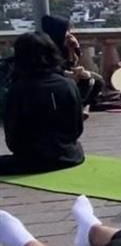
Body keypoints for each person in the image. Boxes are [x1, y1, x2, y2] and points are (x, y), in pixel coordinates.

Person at [0, 32, 84, 175]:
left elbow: (13, 138)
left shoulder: (18, 89)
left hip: (32, 160)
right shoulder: (68, 84)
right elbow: (77, 128)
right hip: (71, 155)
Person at [40, 15, 103, 112]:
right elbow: (50, 68)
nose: (69, 34)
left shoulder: (65, 44)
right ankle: (76, 108)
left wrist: (73, 48)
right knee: (86, 81)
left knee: (98, 80)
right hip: (54, 80)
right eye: (66, 31)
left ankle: (85, 106)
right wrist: (66, 74)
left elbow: (71, 63)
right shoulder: (46, 48)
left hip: (65, 74)